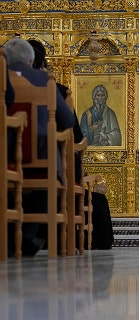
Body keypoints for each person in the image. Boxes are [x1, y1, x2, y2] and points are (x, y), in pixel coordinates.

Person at [5, 37, 77, 256]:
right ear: (31, 61)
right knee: (48, 172)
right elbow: (67, 122)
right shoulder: (44, 79)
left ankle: (8, 235)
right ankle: (27, 235)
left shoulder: (1, 78)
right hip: (39, 157)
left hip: (4, 158)